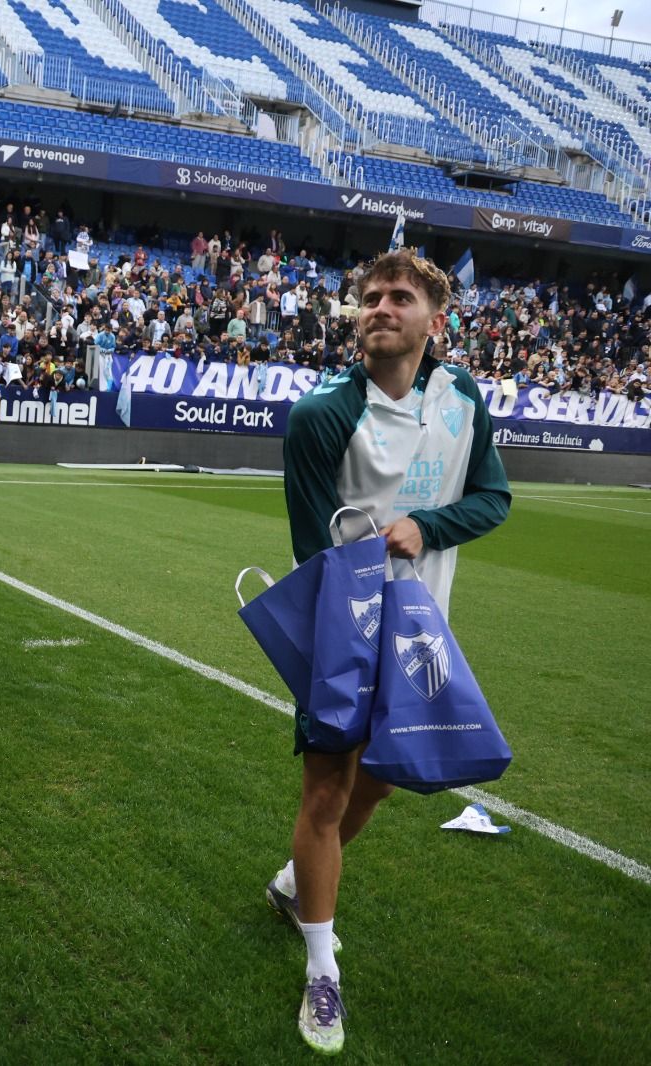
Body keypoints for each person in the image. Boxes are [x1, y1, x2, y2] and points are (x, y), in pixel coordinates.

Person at [267, 250, 510, 1055]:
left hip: (424, 635)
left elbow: (492, 498)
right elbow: (315, 553)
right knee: (328, 791)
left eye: (398, 296)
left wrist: (425, 527)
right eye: (369, 297)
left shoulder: (463, 397)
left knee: (383, 781)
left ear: (433, 321)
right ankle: (320, 971)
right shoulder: (322, 417)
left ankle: (295, 884)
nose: (378, 306)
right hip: (344, 631)